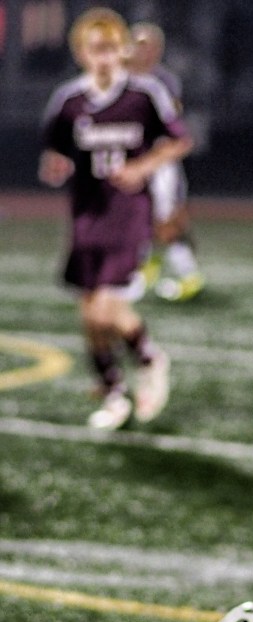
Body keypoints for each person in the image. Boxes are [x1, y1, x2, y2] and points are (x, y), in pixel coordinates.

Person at [39, 7, 190, 430]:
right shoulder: (69, 100)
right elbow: (54, 149)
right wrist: (55, 165)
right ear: (81, 53)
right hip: (87, 213)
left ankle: (149, 357)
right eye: (95, 49)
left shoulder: (144, 94)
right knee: (89, 312)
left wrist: (142, 168)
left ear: (122, 50)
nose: (104, 57)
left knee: (107, 306)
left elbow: (178, 141)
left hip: (129, 213)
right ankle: (113, 391)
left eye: (110, 48)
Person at [126, 21, 206, 302]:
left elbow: (168, 123)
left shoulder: (163, 81)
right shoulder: (122, 78)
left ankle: (188, 275)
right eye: (139, 46)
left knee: (167, 219)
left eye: (148, 46)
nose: (143, 52)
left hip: (158, 161)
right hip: (133, 160)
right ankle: (145, 267)